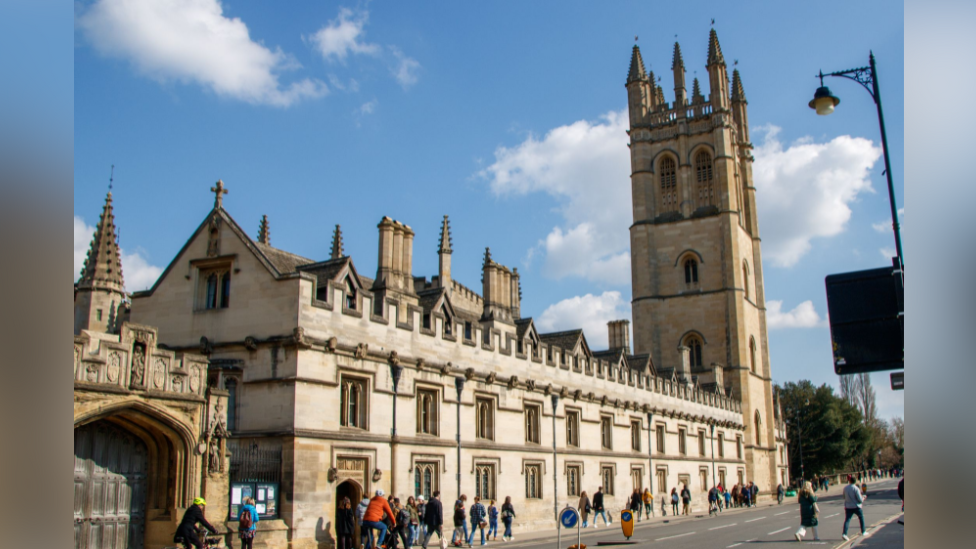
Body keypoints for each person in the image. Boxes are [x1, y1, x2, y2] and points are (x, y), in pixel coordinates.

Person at [842, 475, 866, 541]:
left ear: (849, 480)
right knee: (861, 518)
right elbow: (860, 499)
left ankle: (844, 534)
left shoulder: (845, 488)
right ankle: (863, 531)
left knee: (847, 520)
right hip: (856, 506)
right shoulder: (856, 488)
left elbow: (843, 497)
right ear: (855, 481)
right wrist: (863, 498)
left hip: (848, 506)